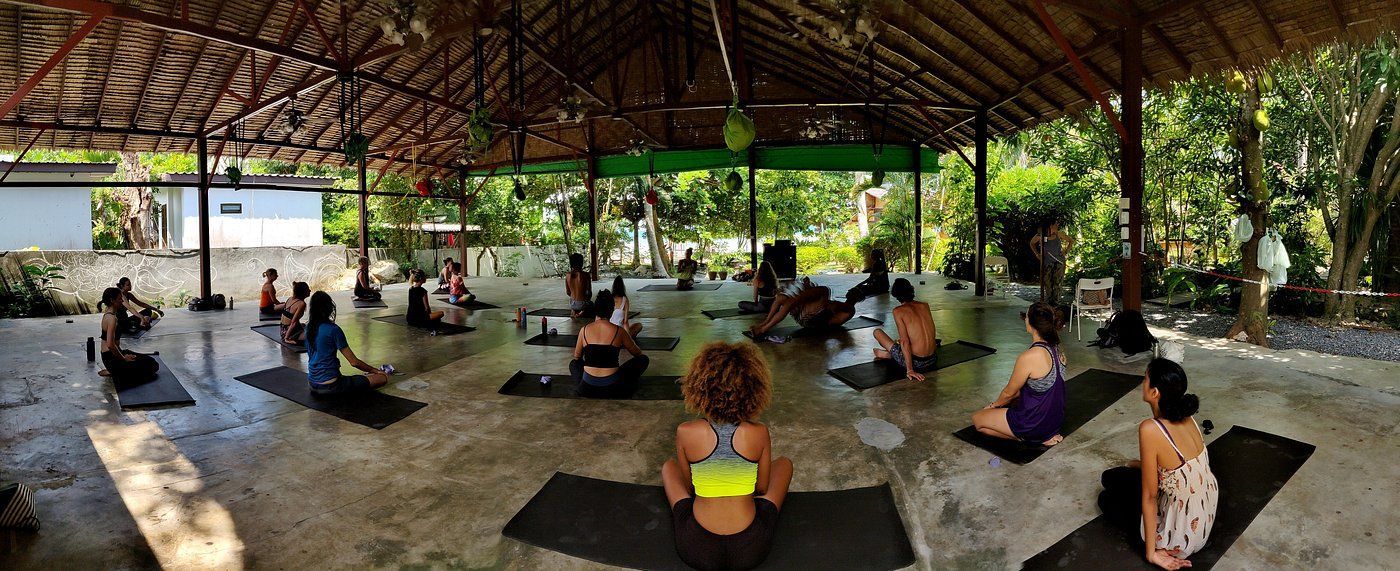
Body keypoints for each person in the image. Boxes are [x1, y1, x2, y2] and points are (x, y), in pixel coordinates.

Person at [661, 341, 793, 571]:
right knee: (784, 464)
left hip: (695, 547)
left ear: (699, 387)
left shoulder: (686, 431)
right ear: (753, 390)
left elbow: (690, 488)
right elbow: (761, 489)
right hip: (751, 548)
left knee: (667, 467)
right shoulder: (758, 432)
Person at [1098, 358, 1217, 570]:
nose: (1142, 383)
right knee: (1112, 476)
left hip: (1181, 535)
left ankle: (1159, 544)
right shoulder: (1187, 417)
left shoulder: (1150, 429)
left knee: (1106, 498)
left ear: (1155, 393)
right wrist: (1139, 465)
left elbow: (1150, 497)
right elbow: (1177, 468)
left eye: (1145, 379)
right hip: (1202, 518)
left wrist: (1151, 553)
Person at [971, 302, 1067, 446]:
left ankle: (1028, 438)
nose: (1025, 320)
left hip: (1034, 425)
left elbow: (1009, 393)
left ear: (1032, 324)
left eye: (1027, 317)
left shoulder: (1030, 356)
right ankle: (1040, 435)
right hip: (1054, 423)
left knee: (978, 420)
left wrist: (993, 406)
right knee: (1016, 400)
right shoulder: (1059, 350)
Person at [304, 291, 389, 396]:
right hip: (332, 386)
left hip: (312, 384)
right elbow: (354, 362)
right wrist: (375, 370)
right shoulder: (333, 330)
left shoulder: (308, 328)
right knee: (382, 378)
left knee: (358, 378)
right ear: (329, 308)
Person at [569, 290, 649, 398]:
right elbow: (638, 353)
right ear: (612, 311)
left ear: (595, 310)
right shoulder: (619, 331)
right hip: (612, 388)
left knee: (574, 364)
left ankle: (583, 384)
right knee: (643, 359)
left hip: (587, 388)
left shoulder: (584, 330)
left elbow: (577, 357)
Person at [873, 278, 937, 381]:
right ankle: (890, 354)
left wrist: (910, 370)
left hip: (917, 363)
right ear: (911, 290)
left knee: (877, 332)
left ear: (896, 295)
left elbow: (904, 342)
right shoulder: (925, 305)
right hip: (932, 359)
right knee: (900, 341)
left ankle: (888, 355)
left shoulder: (898, 311)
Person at [748, 277, 856, 337]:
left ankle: (763, 329)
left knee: (789, 301)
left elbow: (791, 303)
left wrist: (764, 329)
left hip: (811, 318)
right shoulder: (823, 299)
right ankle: (764, 324)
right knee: (781, 298)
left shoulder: (824, 294)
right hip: (807, 318)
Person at [97, 287, 159, 381]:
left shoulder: (108, 313)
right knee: (152, 365)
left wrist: (124, 355)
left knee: (147, 359)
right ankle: (114, 371)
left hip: (112, 356)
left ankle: (114, 370)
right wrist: (123, 358)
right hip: (112, 359)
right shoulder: (112, 319)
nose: (122, 301)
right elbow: (110, 345)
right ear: (112, 300)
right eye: (119, 299)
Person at [1030, 220, 1073, 303]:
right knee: (1047, 283)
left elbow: (1071, 241)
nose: (1057, 225)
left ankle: (1056, 302)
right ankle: (1049, 302)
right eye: (1056, 224)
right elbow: (1032, 243)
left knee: (1057, 283)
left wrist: (1066, 251)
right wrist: (1037, 254)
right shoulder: (1041, 235)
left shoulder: (1059, 233)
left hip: (1059, 262)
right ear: (1050, 226)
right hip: (1046, 262)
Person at [565, 253, 592, 318]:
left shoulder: (567, 275)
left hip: (572, 303)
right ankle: (582, 311)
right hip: (582, 303)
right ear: (581, 263)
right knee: (592, 305)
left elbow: (568, 292)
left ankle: (574, 310)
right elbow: (589, 293)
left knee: (574, 301)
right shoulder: (585, 275)